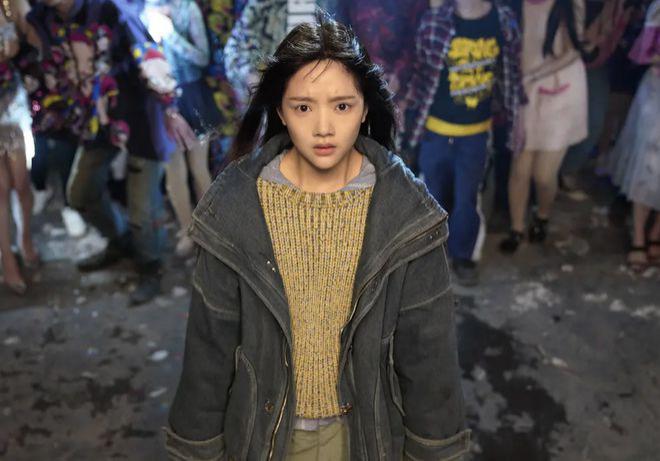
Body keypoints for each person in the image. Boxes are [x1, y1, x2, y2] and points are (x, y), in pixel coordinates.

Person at [165, 15, 469, 461]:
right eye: (303, 107)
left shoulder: (407, 215)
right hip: (264, 437)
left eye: (342, 106)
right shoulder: (235, 209)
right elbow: (209, 349)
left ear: (365, 109)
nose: (323, 126)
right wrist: (197, 447)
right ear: (281, 111)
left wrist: (434, 450)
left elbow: (429, 356)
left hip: (366, 437)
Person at [13, 0, 196, 304]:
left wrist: (169, 107)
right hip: (96, 122)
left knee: (142, 210)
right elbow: (38, 60)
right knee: (79, 193)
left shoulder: (109, 10)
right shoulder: (44, 19)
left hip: (140, 118)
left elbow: (148, 55)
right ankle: (122, 241)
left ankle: (150, 266)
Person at [401, 0, 526, 285]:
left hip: (475, 135)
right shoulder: (434, 22)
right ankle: (431, 256)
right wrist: (404, 105)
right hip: (434, 132)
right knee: (431, 197)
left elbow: (511, 78)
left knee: (467, 199)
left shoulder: (503, 22)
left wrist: (518, 120)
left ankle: (463, 256)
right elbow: (419, 74)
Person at [499, 0, 588, 253]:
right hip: (523, 94)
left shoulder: (572, 3)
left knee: (544, 175)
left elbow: (574, 50)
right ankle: (517, 228)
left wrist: (534, 75)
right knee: (520, 168)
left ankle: (543, 215)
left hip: (560, 92)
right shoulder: (511, 6)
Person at [143, 0, 221, 257]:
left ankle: (211, 230)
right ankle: (187, 229)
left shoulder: (188, 9)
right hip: (162, 98)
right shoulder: (146, 10)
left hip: (192, 95)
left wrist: (170, 33)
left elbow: (202, 57)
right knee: (173, 171)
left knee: (199, 167)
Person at [606, 0, 660, 272]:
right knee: (647, 165)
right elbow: (642, 53)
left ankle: (656, 233)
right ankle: (639, 237)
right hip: (656, 94)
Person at [0, 6, 39, 295]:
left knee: (21, 182)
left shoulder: (7, 7)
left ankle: (25, 239)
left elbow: (21, 46)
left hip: (11, 103)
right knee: (0, 190)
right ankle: (8, 261)